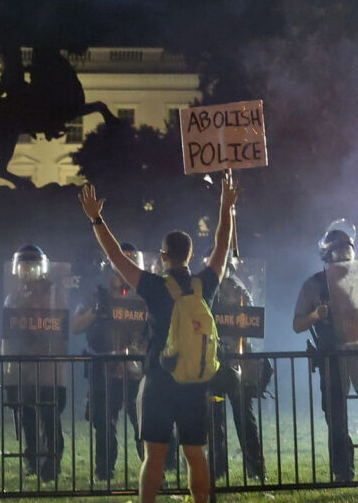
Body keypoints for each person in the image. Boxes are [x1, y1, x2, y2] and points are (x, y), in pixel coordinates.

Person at [78, 171, 239, 503]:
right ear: (191, 257)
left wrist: (96, 219)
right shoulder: (205, 284)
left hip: (159, 379)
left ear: (163, 256)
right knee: (196, 455)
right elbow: (222, 245)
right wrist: (226, 207)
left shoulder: (153, 286)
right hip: (196, 382)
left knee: (154, 456)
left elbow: (117, 258)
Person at [292, 222, 358, 481]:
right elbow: (297, 324)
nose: (345, 259)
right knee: (337, 420)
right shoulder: (314, 285)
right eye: (339, 253)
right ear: (328, 256)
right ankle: (343, 472)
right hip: (332, 358)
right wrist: (316, 315)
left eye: (347, 252)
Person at [71, 243, 146, 481]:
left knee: (143, 424)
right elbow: (74, 327)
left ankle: (153, 470)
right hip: (103, 369)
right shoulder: (97, 296)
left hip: (137, 370)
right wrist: (96, 311)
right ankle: (104, 471)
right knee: (104, 424)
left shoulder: (144, 298)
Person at [1, 245, 68, 482]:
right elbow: (6, 336)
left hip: (49, 367)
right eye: (24, 267)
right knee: (27, 414)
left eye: (32, 267)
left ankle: (52, 460)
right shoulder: (14, 297)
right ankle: (31, 460)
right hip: (22, 366)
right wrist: (8, 369)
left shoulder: (53, 295)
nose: (28, 272)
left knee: (50, 415)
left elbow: (61, 331)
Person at [203, 250, 266, 483]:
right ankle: (250, 469)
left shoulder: (231, 288)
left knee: (227, 417)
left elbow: (250, 323)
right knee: (231, 417)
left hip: (227, 363)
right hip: (227, 364)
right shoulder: (225, 287)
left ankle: (226, 470)